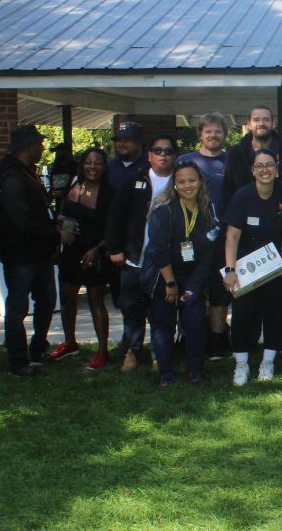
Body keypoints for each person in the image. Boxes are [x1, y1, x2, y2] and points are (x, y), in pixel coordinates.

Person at [0, 125, 75, 378]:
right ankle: (18, 361)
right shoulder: (12, 178)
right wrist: (56, 234)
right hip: (20, 256)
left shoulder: (27, 173)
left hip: (39, 253)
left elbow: (37, 214)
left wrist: (54, 222)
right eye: (39, 144)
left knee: (47, 301)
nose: (42, 149)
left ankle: (38, 348)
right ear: (26, 147)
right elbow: (23, 222)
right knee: (18, 307)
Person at [140, 160, 220, 388]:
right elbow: (157, 249)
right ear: (174, 184)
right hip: (163, 277)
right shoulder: (163, 209)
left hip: (191, 277)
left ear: (200, 182)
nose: (187, 185)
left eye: (192, 180)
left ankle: (195, 370)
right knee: (164, 324)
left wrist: (193, 286)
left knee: (195, 323)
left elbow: (208, 254)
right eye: (181, 181)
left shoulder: (207, 210)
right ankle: (166, 374)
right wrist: (171, 283)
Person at [105, 135, 178, 372]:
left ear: (175, 155)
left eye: (168, 151)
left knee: (162, 312)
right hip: (134, 259)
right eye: (158, 151)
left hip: (166, 263)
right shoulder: (133, 181)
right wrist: (115, 249)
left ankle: (159, 354)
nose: (163, 155)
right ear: (149, 156)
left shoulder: (182, 183)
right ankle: (132, 352)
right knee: (132, 307)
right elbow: (115, 216)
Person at [222, 149, 282, 384]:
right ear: (253, 170)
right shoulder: (242, 197)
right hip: (244, 266)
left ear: (277, 167)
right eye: (260, 166)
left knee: (273, 315)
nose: (265, 170)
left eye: (270, 165)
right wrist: (230, 272)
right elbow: (231, 237)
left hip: (273, 266)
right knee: (242, 316)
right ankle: (241, 364)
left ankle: (267, 363)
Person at [47, 148, 115, 369]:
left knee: (96, 300)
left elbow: (114, 230)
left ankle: (103, 351)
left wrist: (97, 249)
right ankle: (69, 343)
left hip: (96, 252)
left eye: (97, 163)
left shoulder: (109, 193)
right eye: (88, 162)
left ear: (104, 167)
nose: (92, 167)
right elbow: (64, 215)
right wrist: (59, 230)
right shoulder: (73, 186)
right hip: (71, 249)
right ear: (82, 165)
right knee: (67, 300)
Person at [183, 113, 234, 361]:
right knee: (188, 288)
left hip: (224, 239)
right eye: (208, 131)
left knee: (219, 292)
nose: (213, 135)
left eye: (218, 131)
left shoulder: (233, 161)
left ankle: (216, 341)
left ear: (225, 134)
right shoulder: (185, 161)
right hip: (189, 239)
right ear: (200, 135)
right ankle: (188, 337)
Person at [224, 105, 282, 200]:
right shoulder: (236, 152)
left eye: (266, 119)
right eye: (256, 120)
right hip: (246, 210)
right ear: (249, 124)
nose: (261, 123)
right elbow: (228, 189)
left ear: (273, 123)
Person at [107, 121, 149, 190]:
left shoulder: (150, 166)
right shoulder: (109, 167)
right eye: (119, 140)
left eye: (127, 140)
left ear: (139, 143)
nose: (121, 144)